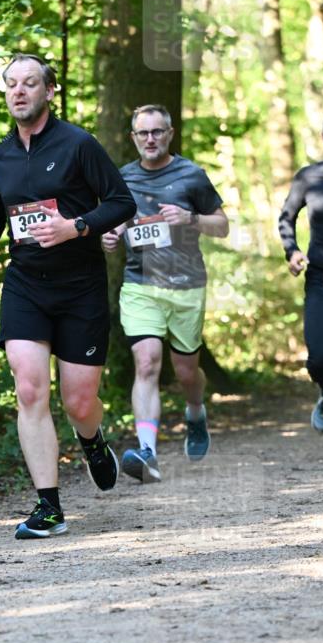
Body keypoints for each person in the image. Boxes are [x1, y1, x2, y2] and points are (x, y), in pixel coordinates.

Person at [0, 53, 136, 539]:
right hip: (25, 286)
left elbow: (123, 202)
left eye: (30, 83)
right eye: (11, 84)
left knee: (80, 401)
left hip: (80, 287)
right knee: (30, 387)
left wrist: (76, 227)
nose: (19, 91)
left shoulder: (78, 144)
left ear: (50, 91)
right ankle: (49, 508)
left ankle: (91, 437)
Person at [103, 104, 229, 483]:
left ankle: (195, 411)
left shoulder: (192, 175)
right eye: (143, 134)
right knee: (147, 363)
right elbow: (113, 224)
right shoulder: (121, 178)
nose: (151, 140)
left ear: (170, 134)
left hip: (187, 286)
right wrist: (111, 234)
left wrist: (190, 218)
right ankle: (148, 452)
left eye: (157, 132)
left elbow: (222, 226)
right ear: (134, 138)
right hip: (141, 285)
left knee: (187, 372)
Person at [279, 107, 323, 433]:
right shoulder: (309, 177)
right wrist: (292, 250)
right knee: (320, 359)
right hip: (322, 278)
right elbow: (286, 216)